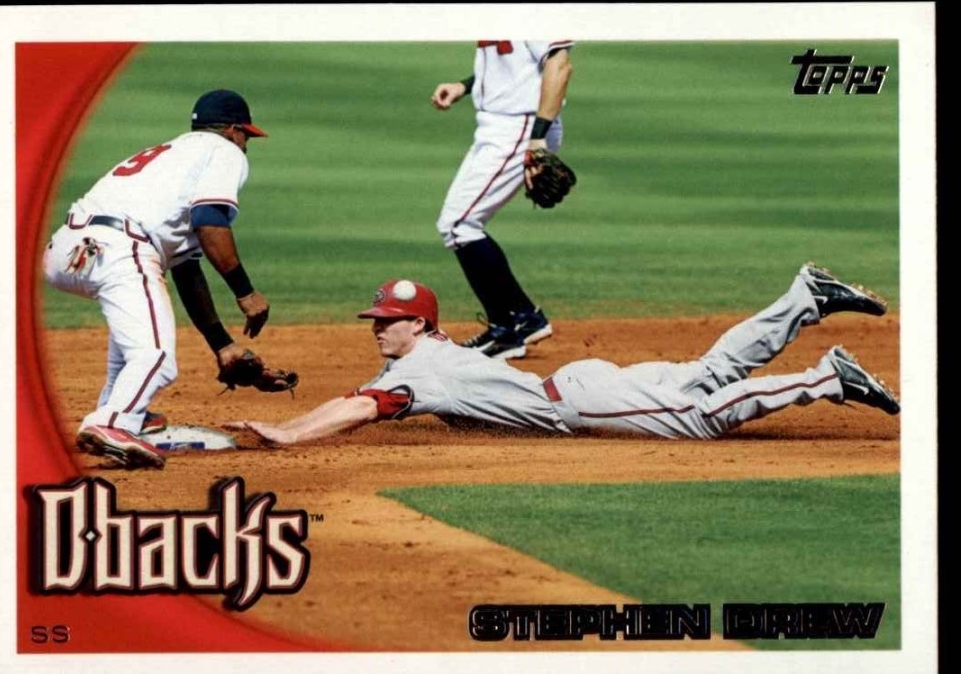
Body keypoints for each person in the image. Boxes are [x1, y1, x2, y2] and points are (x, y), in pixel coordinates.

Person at [227, 263, 899, 446]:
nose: (377, 328)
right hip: (580, 384)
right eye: (376, 320)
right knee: (709, 373)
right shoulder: (430, 352)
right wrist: (289, 408)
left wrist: (289, 433)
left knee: (699, 416)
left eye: (388, 322)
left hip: (582, 402)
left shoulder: (422, 367)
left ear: (419, 325)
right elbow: (366, 392)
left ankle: (825, 378)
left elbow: (360, 407)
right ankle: (805, 296)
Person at [43, 89, 273, 469]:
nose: (246, 144)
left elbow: (185, 266)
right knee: (157, 358)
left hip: (68, 249)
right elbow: (210, 221)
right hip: (120, 247)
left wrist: (223, 345)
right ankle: (112, 423)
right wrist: (244, 292)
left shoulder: (172, 156)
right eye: (246, 135)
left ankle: (122, 414)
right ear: (233, 130)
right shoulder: (224, 151)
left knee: (134, 348)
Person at [430, 40, 574, 360]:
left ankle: (509, 327)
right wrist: (464, 86)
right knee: (457, 224)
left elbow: (560, 65)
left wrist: (537, 138)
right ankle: (519, 319)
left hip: (521, 127)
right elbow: (511, 67)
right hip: (498, 126)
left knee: (459, 224)